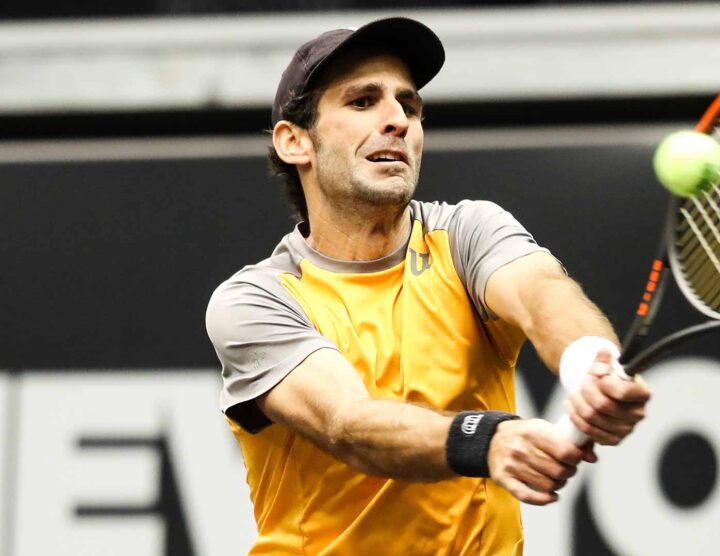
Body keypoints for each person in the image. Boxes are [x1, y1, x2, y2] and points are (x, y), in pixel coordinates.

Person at [205, 17, 651, 555]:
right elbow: (347, 424)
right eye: (363, 102)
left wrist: (587, 364)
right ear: (295, 142)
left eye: (409, 106)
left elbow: (542, 294)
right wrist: (485, 440)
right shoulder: (256, 301)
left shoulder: (467, 234)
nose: (397, 120)